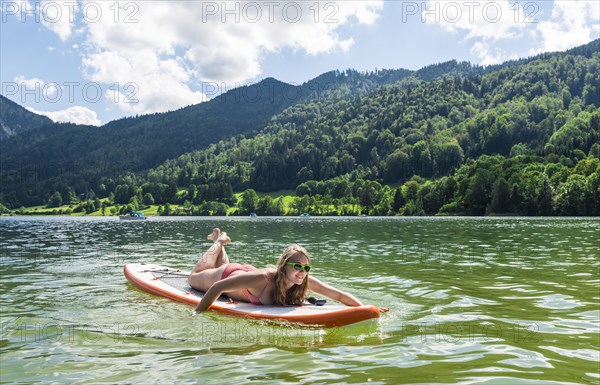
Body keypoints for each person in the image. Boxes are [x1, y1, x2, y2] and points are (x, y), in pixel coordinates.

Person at [189, 228, 365, 313]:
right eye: (297, 266)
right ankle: (219, 241)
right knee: (193, 277)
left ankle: (220, 241)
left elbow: (339, 295)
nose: (302, 272)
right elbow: (218, 287)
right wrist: (197, 314)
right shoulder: (264, 278)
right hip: (229, 274)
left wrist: (366, 309)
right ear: (284, 266)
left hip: (246, 276)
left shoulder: (303, 280)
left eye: (306, 268)